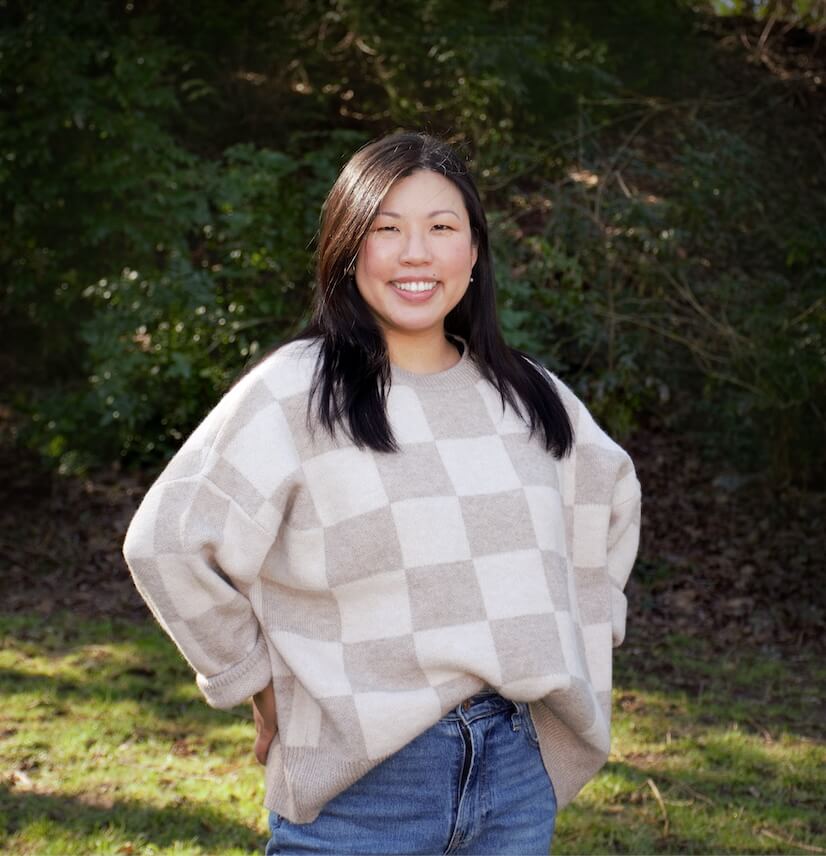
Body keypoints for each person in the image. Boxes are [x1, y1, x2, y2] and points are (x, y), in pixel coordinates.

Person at [122, 131, 642, 855]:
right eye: (386, 229)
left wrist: (577, 639)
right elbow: (166, 541)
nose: (416, 253)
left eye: (442, 228)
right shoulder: (295, 392)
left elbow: (608, 508)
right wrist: (256, 682)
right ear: (348, 248)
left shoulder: (531, 395)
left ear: (474, 251)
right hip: (364, 787)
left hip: (516, 779)